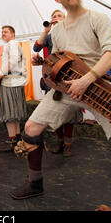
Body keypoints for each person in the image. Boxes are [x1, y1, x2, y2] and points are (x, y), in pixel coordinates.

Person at [11, 0, 111, 212]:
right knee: (30, 130)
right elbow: (59, 59)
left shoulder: (98, 18)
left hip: (98, 89)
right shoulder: (56, 31)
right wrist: (44, 62)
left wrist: (87, 80)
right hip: (65, 90)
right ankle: (34, 182)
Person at [33, 10, 82, 157]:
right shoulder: (50, 36)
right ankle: (60, 142)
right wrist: (46, 30)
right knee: (55, 112)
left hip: (70, 76)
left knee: (69, 114)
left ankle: (68, 145)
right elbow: (36, 48)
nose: (56, 18)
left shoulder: (72, 33)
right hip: (53, 78)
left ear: (65, 18)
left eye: (59, 16)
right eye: (54, 16)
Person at [0, 25, 27, 152]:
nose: (3, 33)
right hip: (15, 82)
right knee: (15, 114)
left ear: (13, 34)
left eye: (6, 31)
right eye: (2, 31)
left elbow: (13, 61)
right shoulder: (13, 44)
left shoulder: (12, 43)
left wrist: (2, 73)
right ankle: (18, 141)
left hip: (10, 82)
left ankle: (12, 141)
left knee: (8, 113)